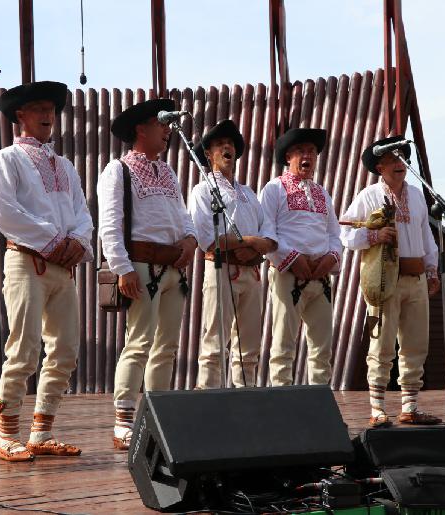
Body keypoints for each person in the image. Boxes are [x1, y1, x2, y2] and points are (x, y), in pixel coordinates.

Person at [0, 81, 93, 461]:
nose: (48, 115)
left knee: (65, 349)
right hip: (27, 261)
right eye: (38, 109)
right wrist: (55, 241)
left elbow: (83, 213)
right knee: (23, 347)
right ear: (20, 115)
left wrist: (79, 243)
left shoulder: (64, 165)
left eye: (51, 109)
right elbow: (3, 212)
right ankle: (6, 435)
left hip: (61, 266)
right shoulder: (7, 159)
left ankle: (41, 431)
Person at [98, 98, 197, 449]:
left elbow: (183, 215)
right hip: (141, 265)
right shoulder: (118, 170)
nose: (168, 129)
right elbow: (109, 224)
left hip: (173, 267)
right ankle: (123, 419)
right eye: (161, 124)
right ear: (141, 129)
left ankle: (158, 415)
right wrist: (122, 268)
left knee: (167, 346)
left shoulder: (167, 171)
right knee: (139, 341)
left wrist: (189, 238)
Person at [340, 136, 442, 427]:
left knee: (416, 343)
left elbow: (426, 238)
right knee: (381, 343)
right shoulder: (368, 195)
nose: (399, 163)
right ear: (380, 166)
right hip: (385, 279)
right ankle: (377, 408)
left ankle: (410, 406)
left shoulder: (419, 196)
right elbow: (344, 233)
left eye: (402, 158)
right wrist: (374, 236)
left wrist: (432, 270)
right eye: (392, 159)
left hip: (416, 277)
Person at [188, 120, 276, 388]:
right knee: (215, 341)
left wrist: (259, 243)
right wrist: (250, 240)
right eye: (219, 144)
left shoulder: (249, 192)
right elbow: (207, 239)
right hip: (221, 269)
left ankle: (245, 400)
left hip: (251, 272)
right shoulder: (202, 190)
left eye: (231, 144)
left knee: (249, 347)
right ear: (208, 154)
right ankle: (208, 402)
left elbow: (269, 235)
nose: (227, 147)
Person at [259, 128, 342, 386]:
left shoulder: (322, 192)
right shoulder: (273, 189)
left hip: (320, 277)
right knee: (284, 344)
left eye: (312, 152)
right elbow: (267, 232)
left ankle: (320, 404)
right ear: (288, 157)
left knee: (322, 348)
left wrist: (330, 258)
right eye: (301, 151)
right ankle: (282, 407)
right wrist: (294, 258)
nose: (308, 156)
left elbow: (334, 234)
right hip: (288, 275)